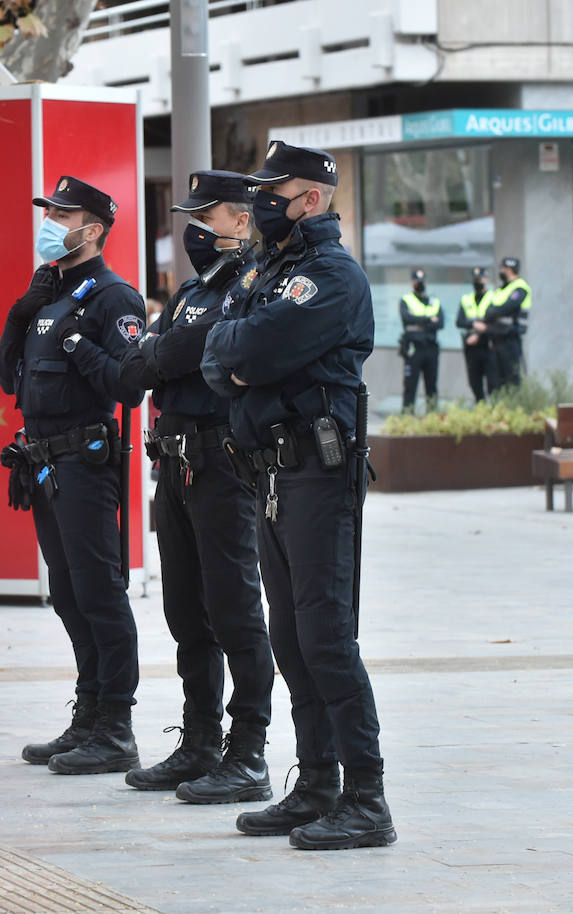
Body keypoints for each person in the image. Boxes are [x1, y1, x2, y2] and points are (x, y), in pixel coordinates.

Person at [201, 141, 395, 850]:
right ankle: (316, 785)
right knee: (290, 638)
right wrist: (239, 356)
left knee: (325, 638)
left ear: (311, 197)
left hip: (317, 475)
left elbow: (245, 352)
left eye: (272, 190)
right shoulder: (268, 268)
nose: (260, 203)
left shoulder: (330, 277)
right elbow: (220, 353)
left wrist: (241, 356)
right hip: (271, 475)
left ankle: (366, 798)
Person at [116, 171, 275, 805]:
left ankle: (249, 752)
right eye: (194, 215)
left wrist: (163, 349)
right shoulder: (191, 289)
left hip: (224, 463)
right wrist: (164, 348)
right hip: (174, 464)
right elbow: (142, 364)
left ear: (242, 221)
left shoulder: (252, 283)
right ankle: (201, 741)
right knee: (186, 611)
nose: (196, 227)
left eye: (209, 215)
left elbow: (189, 353)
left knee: (234, 608)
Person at [0, 175, 147, 775]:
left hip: (84, 462)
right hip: (42, 461)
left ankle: (116, 724)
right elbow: (10, 380)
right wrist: (20, 312)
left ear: (95, 228)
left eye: (63, 214)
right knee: (66, 592)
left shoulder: (114, 298)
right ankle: (88, 713)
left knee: (99, 591)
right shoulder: (49, 295)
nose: (52, 222)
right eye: (50, 211)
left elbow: (127, 386)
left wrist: (82, 344)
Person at [477, 256, 531, 388]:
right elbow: (489, 311)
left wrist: (494, 312)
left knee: (512, 379)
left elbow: (505, 308)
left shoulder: (520, 288)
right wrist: (494, 312)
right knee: (497, 381)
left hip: (511, 339)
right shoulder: (500, 290)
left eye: (503, 268)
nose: (501, 271)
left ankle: (513, 407)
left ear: (510, 269)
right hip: (496, 339)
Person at [398, 268, 441, 412]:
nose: (420, 284)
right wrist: (429, 319)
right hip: (413, 349)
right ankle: (407, 417)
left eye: (422, 281)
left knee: (432, 387)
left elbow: (440, 323)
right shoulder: (406, 300)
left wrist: (417, 320)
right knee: (410, 386)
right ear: (412, 283)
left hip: (431, 348)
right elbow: (406, 318)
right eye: (417, 282)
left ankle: (433, 418)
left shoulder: (434, 301)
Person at [456, 266, 496, 402]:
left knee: (493, 383)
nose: (477, 282)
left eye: (480, 279)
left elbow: (493, 322)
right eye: (475, 279)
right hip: (471, 348)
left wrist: (478, 335)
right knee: (474, 382)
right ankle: (480, 407)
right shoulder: (466, 299)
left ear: (486, 279)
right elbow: (459, 321)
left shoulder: (494, 297)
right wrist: (473, 324)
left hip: (488, 345)